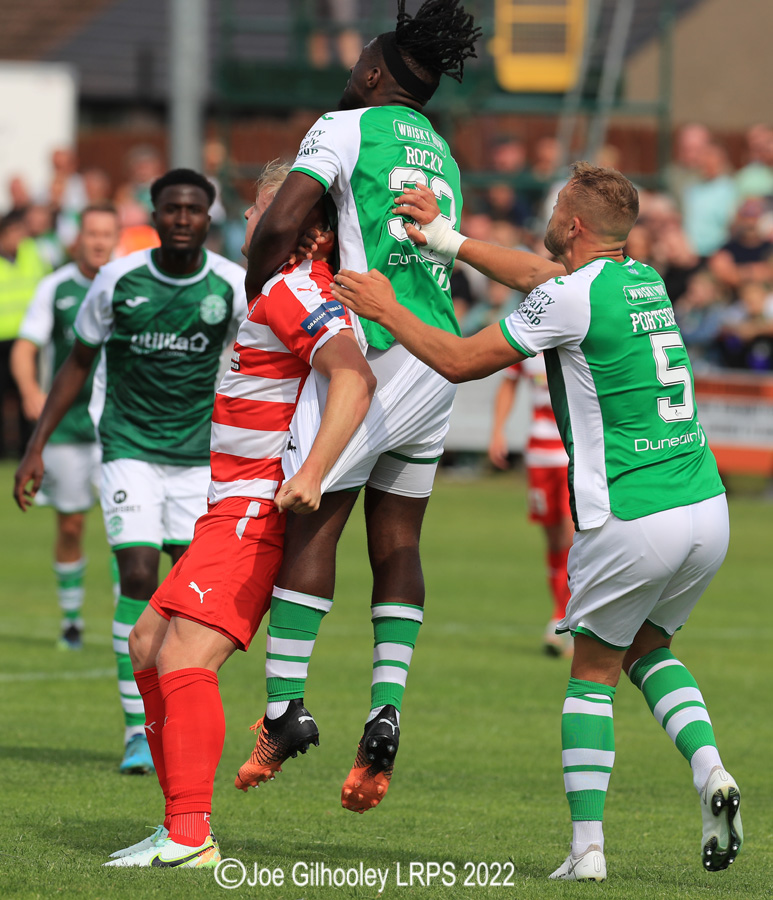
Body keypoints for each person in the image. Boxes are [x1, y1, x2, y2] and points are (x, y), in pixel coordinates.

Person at [332, 163, 742, 880]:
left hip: (630, 511)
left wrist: (386, 307)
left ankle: (586, 850)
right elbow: (537, 274)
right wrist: (444, 239)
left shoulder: (570, 297)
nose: (548, 218)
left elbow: (460, 361)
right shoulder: (640, 278)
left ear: (574, 225)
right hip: (706, 509)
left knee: (590, 678)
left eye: (556, 208)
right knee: (648, 648)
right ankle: (710, 771)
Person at [235, 0, 481, 815]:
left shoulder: (344, 128)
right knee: (399, 540)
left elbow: (283, 219)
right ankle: (385, 707)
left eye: (359, 61)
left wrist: (258, 283)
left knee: (312, 519)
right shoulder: (440, 151)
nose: (351, 71)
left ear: (374, 70)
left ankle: (282, 711)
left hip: (372, 349)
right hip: (434, 355)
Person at [104, 162, 375, 868]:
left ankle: (189, 834)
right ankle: (177, 824)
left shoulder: (295, 288)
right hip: (223, 507)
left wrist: (311, 472)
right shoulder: (280, 290)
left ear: (308, 231)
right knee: (144, 646)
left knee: (185, 658)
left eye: (263, 213)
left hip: (252, 508)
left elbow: (353, 377)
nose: (251, 225)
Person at [13, 169, 248, 776]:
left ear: (207, 216)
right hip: (128, 448)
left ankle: (178, 708)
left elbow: (261, 362)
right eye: (171, 209)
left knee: (190, 594)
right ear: (154, 213)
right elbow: (76, 363)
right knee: (138, 572)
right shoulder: (119, 281)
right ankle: (138, 731)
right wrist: (35, 445)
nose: (182, 219)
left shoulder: (231, 285)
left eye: (194, 210)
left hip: (201, 459)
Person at [11, 204, 120, 649]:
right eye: (91, 233)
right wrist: (30, 392)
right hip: (68, 428)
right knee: (71, 524)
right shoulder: (55, 288)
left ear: (117, 238)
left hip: (120, 427)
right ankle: (72, 620)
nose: (98, 242)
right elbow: (25, 346)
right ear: (78, 237)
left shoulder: (131, 283)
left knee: (126, 528)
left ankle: (126, 624)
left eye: (106, 235)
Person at [488, 354, 574, 657]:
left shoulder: (575, 328)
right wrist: (498, 429)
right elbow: (508, 382)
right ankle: (563, 617)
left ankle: (562, 618)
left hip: (574, 453)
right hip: (538, 452)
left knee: (572, 535)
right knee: (553, 539)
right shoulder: (529, 333)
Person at [0, 209, 50, 458]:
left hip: (28, 336)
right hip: (1, 337)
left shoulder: (32, 252)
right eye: (13, 232)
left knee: (27, 392)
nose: (19, 238)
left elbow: (48, 283)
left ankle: (26, 446)